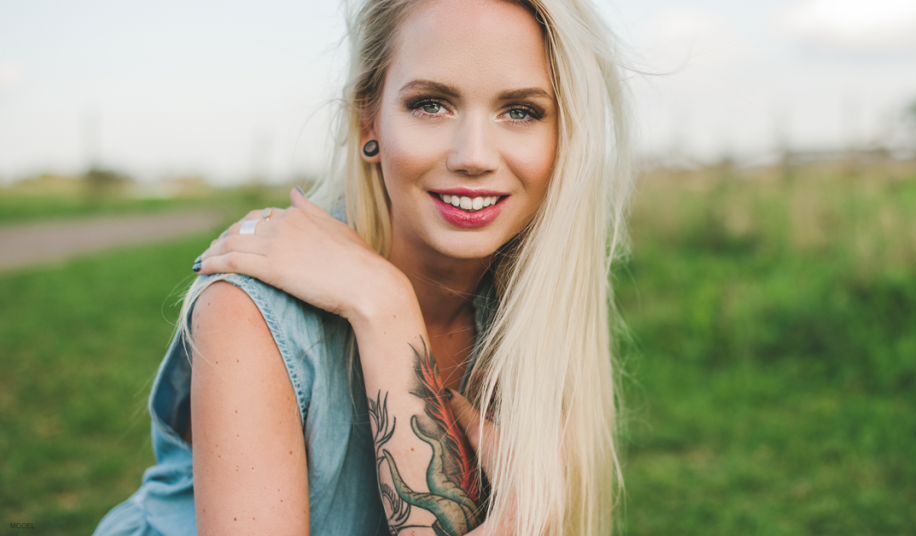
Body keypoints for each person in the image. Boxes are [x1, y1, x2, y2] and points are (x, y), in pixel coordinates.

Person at [93, 0, 632, 533]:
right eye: (430, 104)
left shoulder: (533, 310)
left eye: (520, 111)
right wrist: (387, 307)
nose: (474, 155)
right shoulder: (249, 313)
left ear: (567, 139)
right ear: (367, 121)